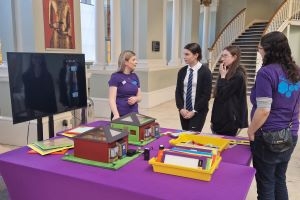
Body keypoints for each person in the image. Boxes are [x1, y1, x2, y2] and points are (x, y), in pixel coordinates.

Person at [247, 31, 300, 200]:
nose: (259, 52)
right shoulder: (296, 72)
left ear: (269, 50)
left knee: (266, 183)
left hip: (268, 136)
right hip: (291, 134)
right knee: (279, 178)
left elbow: (263, 110)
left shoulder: (266, 73)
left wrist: (251, 130)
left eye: (260, 48)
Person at [211, 45, 248, 136]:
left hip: (230, 120)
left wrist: (222, 77)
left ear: (234, 57)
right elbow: (218, 96)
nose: (222, 59)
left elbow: (223, 95)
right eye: (222, 56)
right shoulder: (226, 70)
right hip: (220, 118)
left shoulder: (238, 75)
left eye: (225, 56)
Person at [175, 43, 212, 132]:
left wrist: (194, 111)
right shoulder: (182, 71)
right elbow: (178, 91)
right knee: (185, 134)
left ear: (196, 55)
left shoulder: (206, 72)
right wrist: (181, 108)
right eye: (184, 54)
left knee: (193, 135)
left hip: (198, 111)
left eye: (187, 54)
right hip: (184, 111)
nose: (184, 57)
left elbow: (206, 95)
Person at [108, 50, 141, 120]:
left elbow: (140, 97)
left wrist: (136, 99)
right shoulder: (115, 77)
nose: (136, 62)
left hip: (134, 114)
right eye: (133, 60)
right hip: (120, 115)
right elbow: (112, 99)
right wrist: (116, 115)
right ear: (125, 62)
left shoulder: (135, 76)